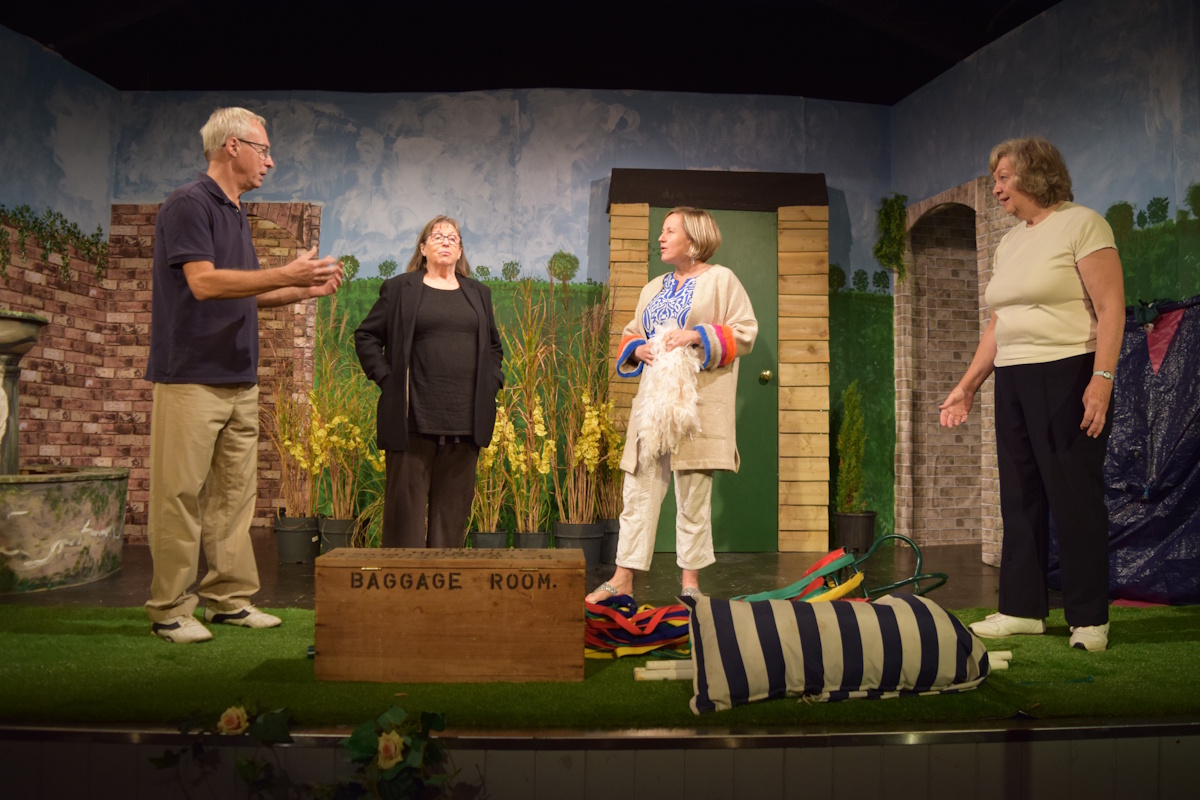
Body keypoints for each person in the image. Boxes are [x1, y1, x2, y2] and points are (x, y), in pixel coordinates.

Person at [145, 107, 344, 644]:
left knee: (233, 496)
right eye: (264, 149)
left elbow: (246, 294)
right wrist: (285, 271)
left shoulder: (235, 212)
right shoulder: (189, 204)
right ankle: (169, 609)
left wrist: (303, 289)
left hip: (239, 376)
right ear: (232, 146)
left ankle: (228, 600)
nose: (270, 162)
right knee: (179, 495)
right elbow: (204, 284)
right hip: (190, 376)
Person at [939, 137, 1125, 652]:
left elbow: (1111, 307)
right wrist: (968, 385)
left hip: (1069, 370)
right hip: (1014, 377)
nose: (996, 188)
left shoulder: (1083, 224)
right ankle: (1021, 609)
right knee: (1020, 495)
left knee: (1074, 494)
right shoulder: (1010, 242)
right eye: (994, 179)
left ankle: (1089, 618)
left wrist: (1102, 379)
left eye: (1003, 177)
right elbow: (1001, 322)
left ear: (1036, 173)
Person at [586, 207, 757, 603]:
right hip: (653, 404)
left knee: (693, 495)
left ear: (693, 239)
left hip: (694, 406)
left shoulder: (721, 281)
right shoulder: (653, 287)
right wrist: (637, 348)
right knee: (637, 492)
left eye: (669, 231)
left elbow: (745, 332)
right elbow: (632, 332)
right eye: (661, 232)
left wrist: (695, 336)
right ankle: (623, 578)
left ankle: (690, 584)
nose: (660, 238)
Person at [354, 216, 504, 548]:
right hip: (411, 423)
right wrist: (387, 378)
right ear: (423, 248)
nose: (446, 241)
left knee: (450, 525)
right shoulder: (400, 289)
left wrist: (492, 381)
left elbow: (494, 347)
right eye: (437, 236)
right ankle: (400, 582)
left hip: (465, 425)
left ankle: (443, 581)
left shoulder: (478, 293)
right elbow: (366, 336)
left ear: (460, 250)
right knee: (403, 524)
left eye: (453, 238)